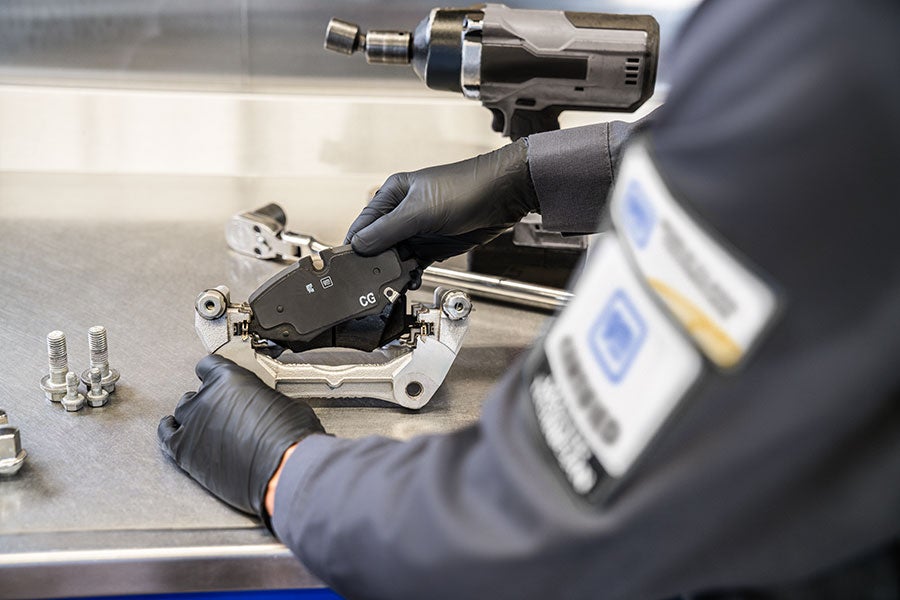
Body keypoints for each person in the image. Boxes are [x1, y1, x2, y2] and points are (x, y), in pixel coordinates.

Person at [157, 0, 900, 598]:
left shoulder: (832, 47)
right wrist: (529, 177)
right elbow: (774, 147)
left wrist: (288, 475)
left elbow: (522, 521)